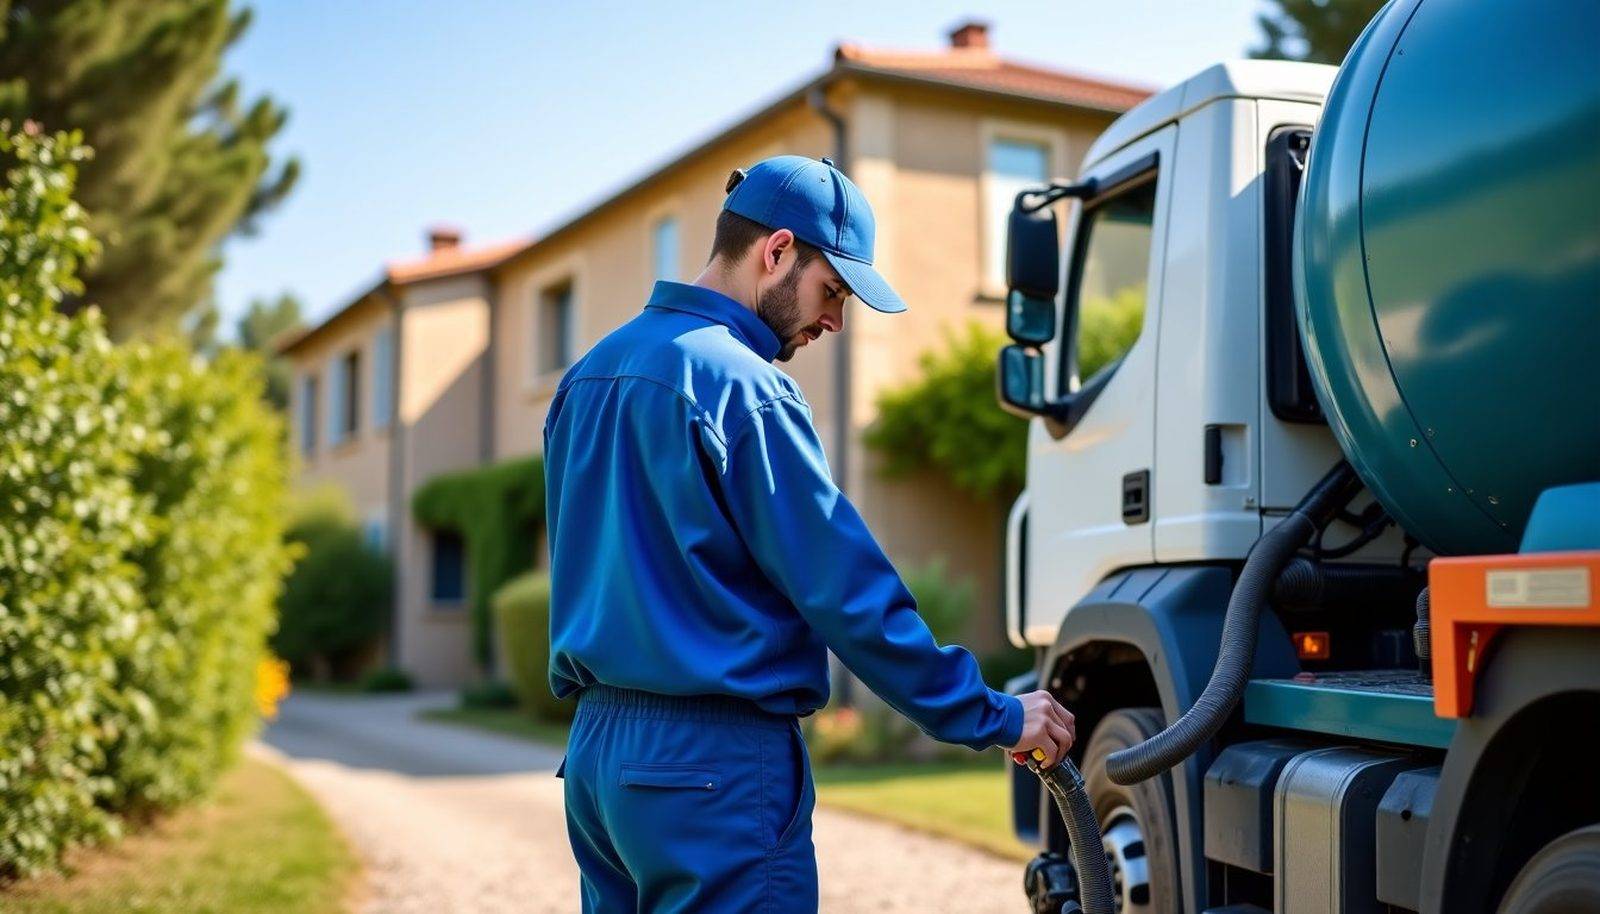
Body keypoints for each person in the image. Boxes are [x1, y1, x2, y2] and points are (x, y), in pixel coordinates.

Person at [544, 154, 1076, 912]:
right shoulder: (746, 389)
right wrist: (988, 711)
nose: (834, 319)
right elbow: (846, 592)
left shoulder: (588, 376)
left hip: (599, 766)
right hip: (714, 768)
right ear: (776, 251)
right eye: (833, 290)